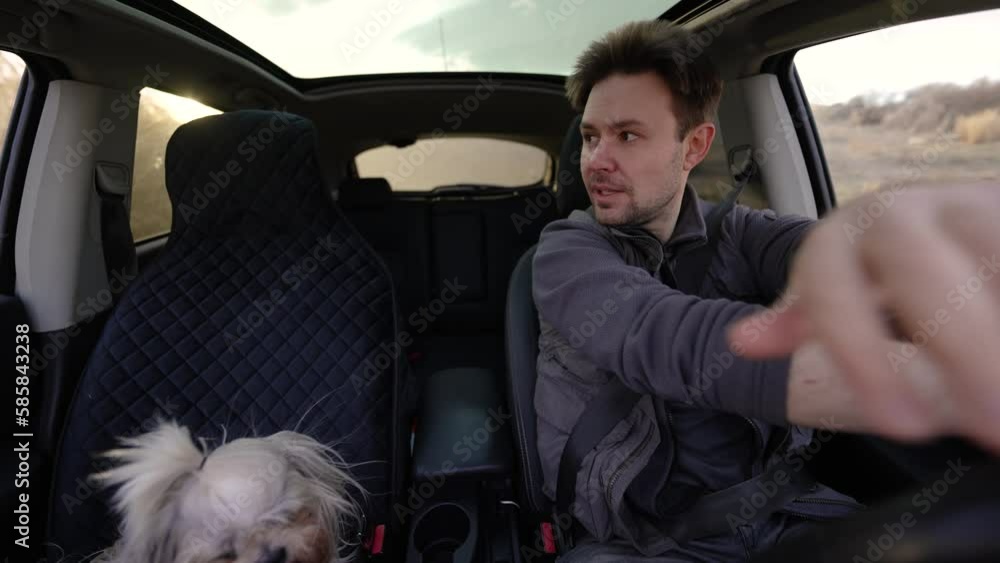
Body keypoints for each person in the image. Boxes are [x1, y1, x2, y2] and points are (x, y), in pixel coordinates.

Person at [532, 19, 1000, 562]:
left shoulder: (743, 232)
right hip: (643, 542)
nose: (597, 160)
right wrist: (944, 393)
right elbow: (663, 338)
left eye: (627, 135)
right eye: (591, 137)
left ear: (694, 147)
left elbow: (832, 254)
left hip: (783, 510)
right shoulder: (567, 251)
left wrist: (918, 261)